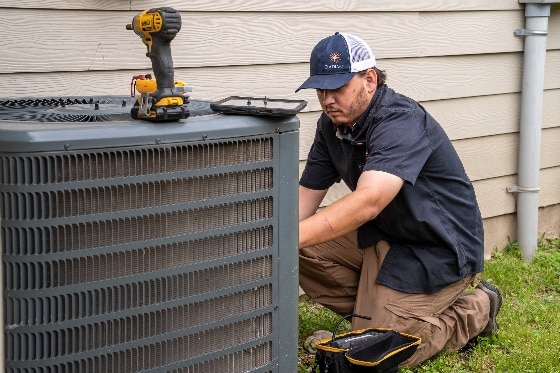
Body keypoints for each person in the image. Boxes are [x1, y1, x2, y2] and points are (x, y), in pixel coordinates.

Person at [296, 32, 502, 366]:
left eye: (338, 87)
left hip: (437, 248)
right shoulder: (331, 126)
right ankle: (374, 317)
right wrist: (272, 238)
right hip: (386, 235)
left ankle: (477, 308)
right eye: (321, 89)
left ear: (369, 79)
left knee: (379, 353)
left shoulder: (399, 119)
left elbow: (369, 201)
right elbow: (304, 199)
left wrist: (288, 237)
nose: (328, 99)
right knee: (298, 244)